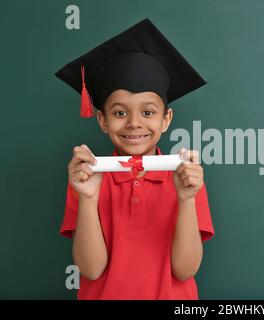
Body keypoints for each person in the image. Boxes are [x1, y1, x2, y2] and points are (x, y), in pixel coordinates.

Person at [55, 19, 215, 300]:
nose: (133, 123)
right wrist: (89, 199)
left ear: (166, 119)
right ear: (102, 120)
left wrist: (187, 199)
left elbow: (185, 269)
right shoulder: (86, 178)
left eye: (148, 112)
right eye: (119, 113)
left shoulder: (187, 178)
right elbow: (91, 270)